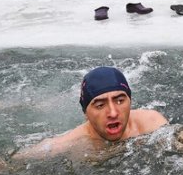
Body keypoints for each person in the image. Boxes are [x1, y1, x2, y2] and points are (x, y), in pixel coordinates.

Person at [13, 66, 168, 160]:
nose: (113, 113)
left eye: (120, 101)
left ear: (130, 101)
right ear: (85, 112)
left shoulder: (152, 123)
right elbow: (15, 160)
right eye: (100, 105)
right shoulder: (70, 144)